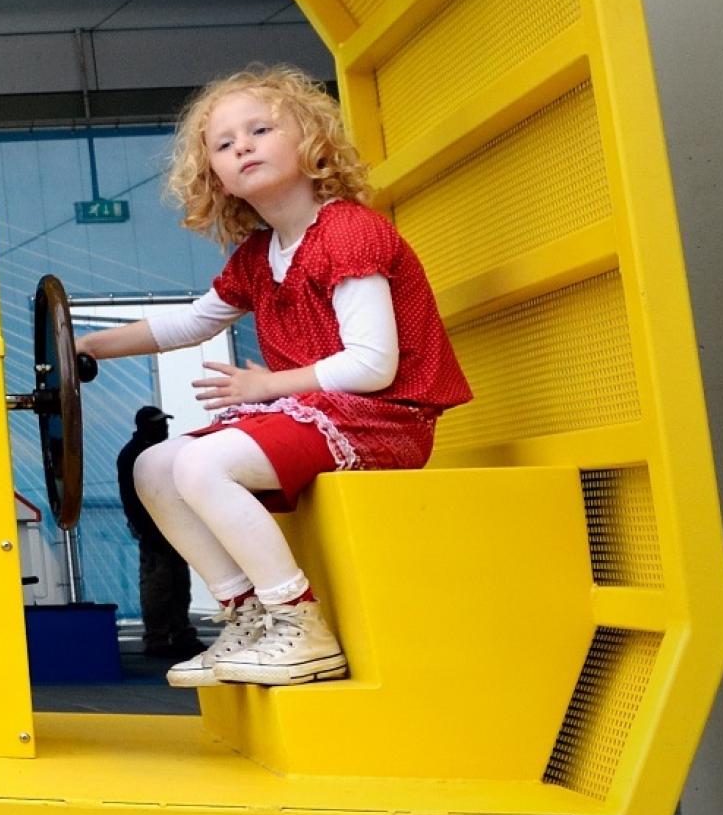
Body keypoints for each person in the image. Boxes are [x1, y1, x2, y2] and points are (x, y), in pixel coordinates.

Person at [76, 65, 470, 688]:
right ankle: (249, 615)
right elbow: (190, 323)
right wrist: (84, 346)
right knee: (152, 466)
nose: (243, 146)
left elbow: (373, 366)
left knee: (204, 466)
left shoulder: (347, 231)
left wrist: (267, 387)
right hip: (318, 417)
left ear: (311, 140)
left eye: (260, 129)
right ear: (214, 175)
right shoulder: (260, 255)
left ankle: (298, 622)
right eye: (224, 144)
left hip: (384, 422)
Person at [113, 404, 199, 660]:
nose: (165, 427)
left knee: (179, 583)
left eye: (165, 422)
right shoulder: (133, 455)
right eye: (159, 423)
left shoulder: (155, 451)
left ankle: (180, 634)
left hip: (172, 524)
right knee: (158, 585)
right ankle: (158, 638)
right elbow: (131, 498)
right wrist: (145, 530)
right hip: (153, 528)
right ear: (145, 426)